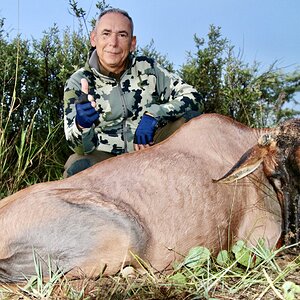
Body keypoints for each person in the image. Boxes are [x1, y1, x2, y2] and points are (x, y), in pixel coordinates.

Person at [63, 8, 203, 177]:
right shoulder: (78, 81)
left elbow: (194, 97)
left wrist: (155, 113)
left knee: (191, 120)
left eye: (122, 35)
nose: (113, 43)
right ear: (94, 38)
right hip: (105, 157)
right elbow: (80, 147)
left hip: (151, 147)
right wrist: (82, 125)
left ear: (132, 43)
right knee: (76, 165)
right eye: (106, 34)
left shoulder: (148, 68)